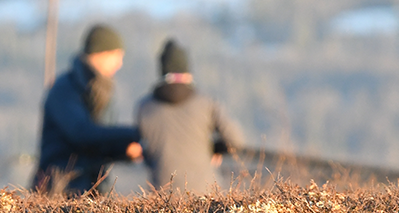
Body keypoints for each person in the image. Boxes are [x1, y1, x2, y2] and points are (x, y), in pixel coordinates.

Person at [33, 24, 142, 196]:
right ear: (101, 53)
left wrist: (124, 151)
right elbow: (82, 133)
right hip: (59, 192)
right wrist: (136, 133)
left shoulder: (98, 92)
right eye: (117, 55)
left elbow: (95, 145)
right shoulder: (65, 90)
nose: (120, 63)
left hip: (89, 190)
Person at [136, 38, 246, 195]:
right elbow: (236, 141)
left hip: (162, 198)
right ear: (187, 71)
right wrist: (214, 149)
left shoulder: (145, 107)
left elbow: (144, 152)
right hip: (206, 194)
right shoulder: (206, 103)